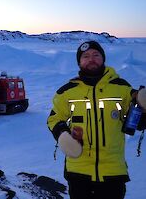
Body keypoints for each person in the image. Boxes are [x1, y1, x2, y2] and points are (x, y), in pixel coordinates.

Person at [47, 40, 146, 199]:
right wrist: (62, 133)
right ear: (79, 62)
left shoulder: (121, 88)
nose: (91, 59)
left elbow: (137, 122)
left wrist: (142, 108)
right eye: (85, 56)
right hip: (78, 170)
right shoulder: (66, 92)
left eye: (95, 55)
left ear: (103, 58)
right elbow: (54, 118)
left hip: (112, 171)